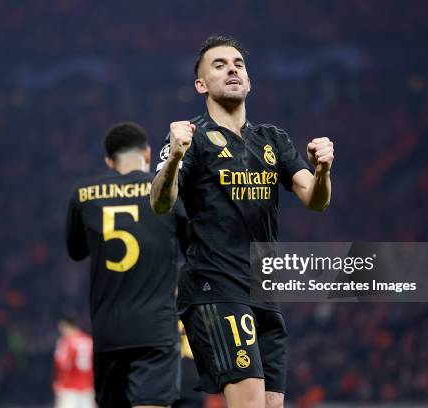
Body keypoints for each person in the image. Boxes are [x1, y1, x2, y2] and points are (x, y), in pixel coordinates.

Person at [150, 35, 334, 408]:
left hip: (264, 291)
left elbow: (315, 200)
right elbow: (160, 202)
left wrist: (324, 169)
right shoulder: (190, 137)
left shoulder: (273, 139)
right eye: (219, 65)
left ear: (249, 81)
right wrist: (173, 159)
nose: (232, 69)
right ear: (200, 84)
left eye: (238, 64)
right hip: (215, 287)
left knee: (270, 405)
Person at [66, 122, 187, 408]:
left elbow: (75, 251)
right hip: (156, 327)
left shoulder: (83, 194)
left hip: (108, 329)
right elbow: (193, 249)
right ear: (147, 154)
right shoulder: (167, 193)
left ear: (109, 161)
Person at [53, 316, 94, 408]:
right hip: (88, 387)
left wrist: (59, 383)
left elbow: (63, 365)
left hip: (69, 387)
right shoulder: (89, 340)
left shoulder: (66, 341)